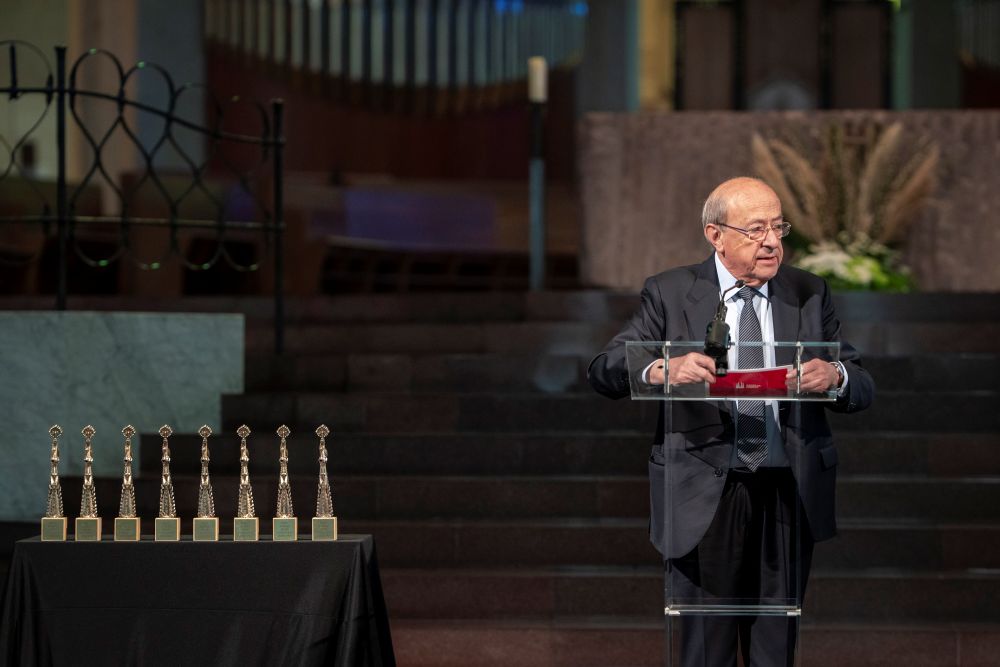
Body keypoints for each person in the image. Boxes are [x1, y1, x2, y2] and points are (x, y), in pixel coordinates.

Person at [587, 177, 874, 666]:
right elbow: (606, 369)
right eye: (755, 229)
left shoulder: (808, 292)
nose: (771, 241)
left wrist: (836, 375)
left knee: (774, 651)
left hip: (786, 491)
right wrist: (664, 368)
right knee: (705, 651)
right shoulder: (671, 291)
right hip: (703, 492)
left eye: (778, 227)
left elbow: (861, 384)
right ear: (715, 235)